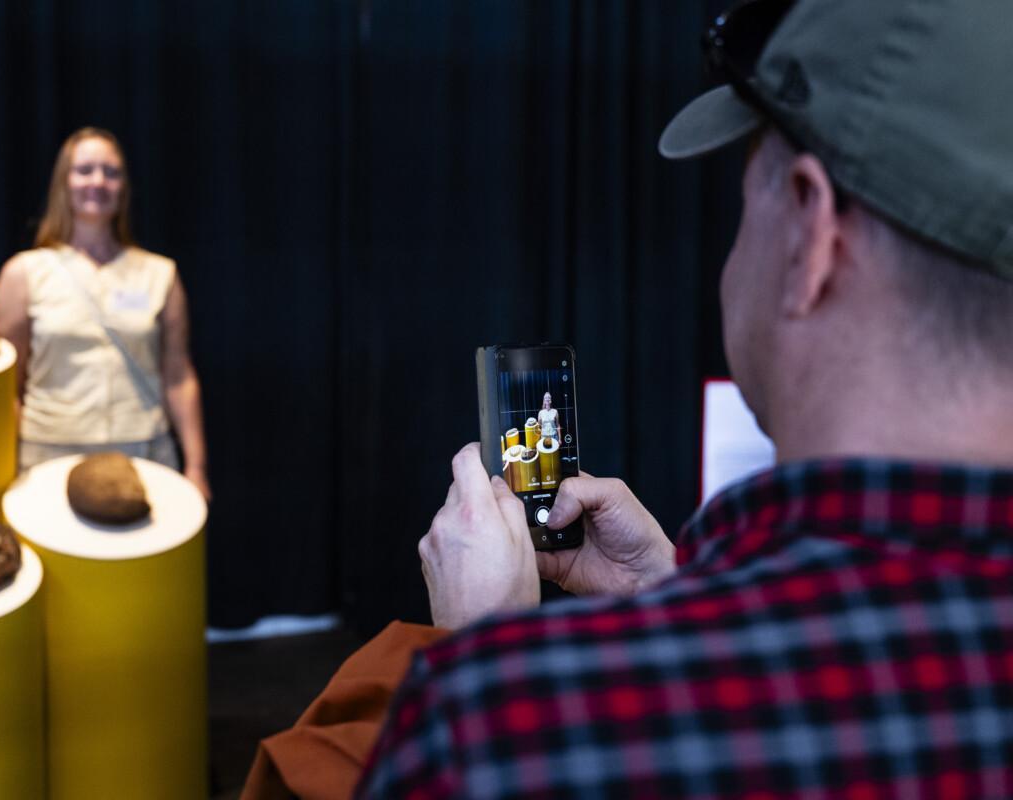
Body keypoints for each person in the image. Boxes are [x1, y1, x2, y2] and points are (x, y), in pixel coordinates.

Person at [358, 0, 1013, 795]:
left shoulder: (493, 726)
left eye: (746, 199)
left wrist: (487, 660)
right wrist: (675, 592)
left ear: (811, 234)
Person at [0, 127, 211, 501]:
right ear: (64, 182)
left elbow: (178, 375)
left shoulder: (159, 274)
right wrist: (0, 471)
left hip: (143, 452)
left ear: (124, 187)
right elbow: (5, 386)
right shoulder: (25, 273)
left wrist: (196, 467)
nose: (98, 181)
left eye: (111, 172)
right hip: (49, 453)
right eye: (85, 170)